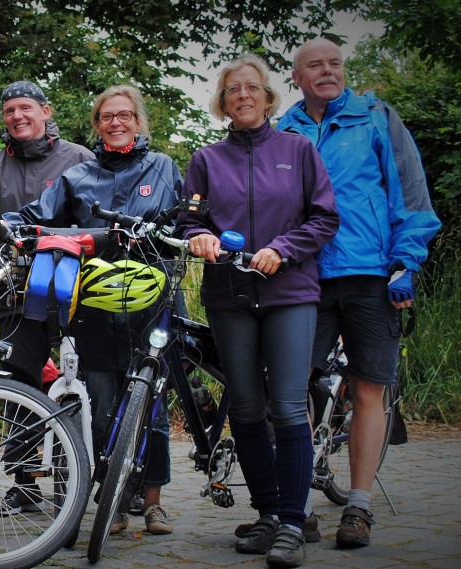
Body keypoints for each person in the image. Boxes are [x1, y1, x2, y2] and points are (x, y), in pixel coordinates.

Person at [0, 85, 183, 536]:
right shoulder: (80, 175)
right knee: (99, 405)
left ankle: (153, 501)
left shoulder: (164, 167)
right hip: (94, 305)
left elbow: (184, 223)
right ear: (96, 125)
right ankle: (108, 500)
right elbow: (37, 213)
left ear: (138, 120)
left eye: (124, 115)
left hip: (150, 300)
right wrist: (5, 226)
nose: (116, 123)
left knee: (150, 403)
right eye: (106, 117)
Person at [276, 38, 441, 549]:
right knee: (291, 385)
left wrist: (405, 262)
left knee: (369, 387)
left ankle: (359, 506)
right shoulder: (285, 129)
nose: (328, 72)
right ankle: (296, 506)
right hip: (304, 276)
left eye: (334, 64)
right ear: (297, 77)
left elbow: (410, 192)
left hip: (371, 273)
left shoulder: (375, 118)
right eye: (315, 66)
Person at [177, 53, 339, 568]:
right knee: (244, 406)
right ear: (222, 105)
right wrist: (199, 235)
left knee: (287, 406)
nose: (242, 96)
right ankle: (267, 512)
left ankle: (294, 521)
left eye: (252, 88)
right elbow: (188, 219)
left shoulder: (298, 150)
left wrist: (284, 248)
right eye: (232, 91)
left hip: (289, 292)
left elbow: (324, 218)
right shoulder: (205, 159)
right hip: (229, 297)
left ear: (268, 98)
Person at [0, 80, 93, 517]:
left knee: (87, 381)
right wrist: (1, 263)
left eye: (25, 108)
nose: (17, 116)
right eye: (9, 110)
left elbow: (95, 220)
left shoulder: (78, 158)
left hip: (77, 294)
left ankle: (84, 477)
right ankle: (26, 483)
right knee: (21, 386)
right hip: (16, 296)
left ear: (45, 110)